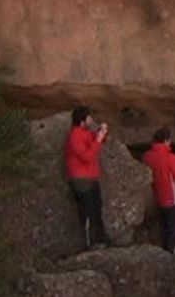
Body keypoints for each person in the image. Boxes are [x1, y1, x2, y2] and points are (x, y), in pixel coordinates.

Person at [65, 105, 109, 250]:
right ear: (82, 120)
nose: (92, 119)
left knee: (96, 209)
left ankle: (101, 239)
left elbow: (99, 139)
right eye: (89, 117)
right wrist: (98, 139)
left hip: (90, 178)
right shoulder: (75, 136)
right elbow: (87, 157)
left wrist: (101, 132)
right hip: (81, 180)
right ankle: (91, 243)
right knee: (88, 212)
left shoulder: (84, 133)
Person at [142, 127, 175, 255]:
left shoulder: (147, 156)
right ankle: (173, 254)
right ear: (166, 141)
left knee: (165, 225)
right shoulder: (170, 158)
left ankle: (166, 250)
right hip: (172, 197)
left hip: (157, 195)